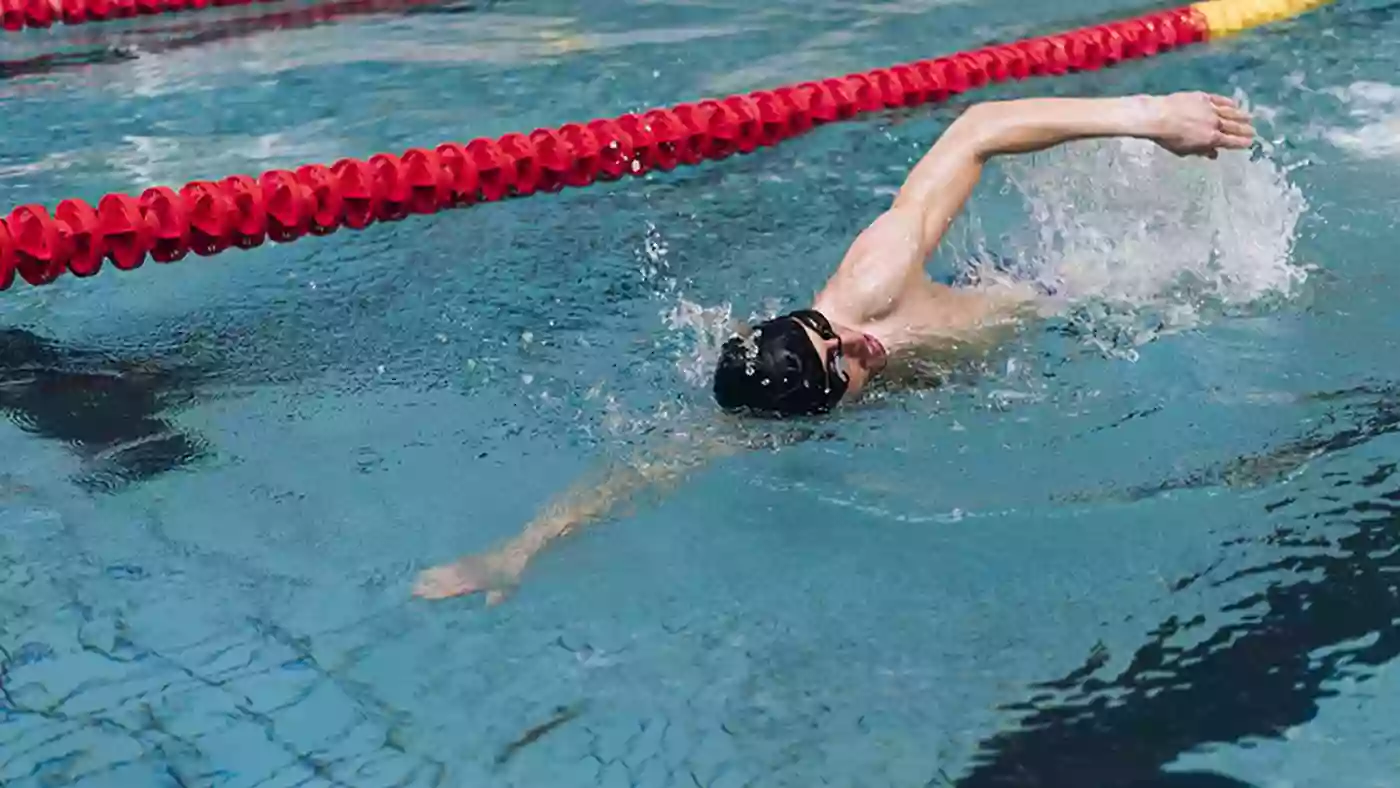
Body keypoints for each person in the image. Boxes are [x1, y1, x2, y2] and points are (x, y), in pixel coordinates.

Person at [413, 91, 1256, 602]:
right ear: (812, 411)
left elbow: (977, 127)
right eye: (840, 370)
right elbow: (643, 471)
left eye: (830, 337)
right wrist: (516, 551)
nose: (858, 347)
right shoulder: (767, 410)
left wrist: (1146, 120)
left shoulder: (872, 286)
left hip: (1078, 287)